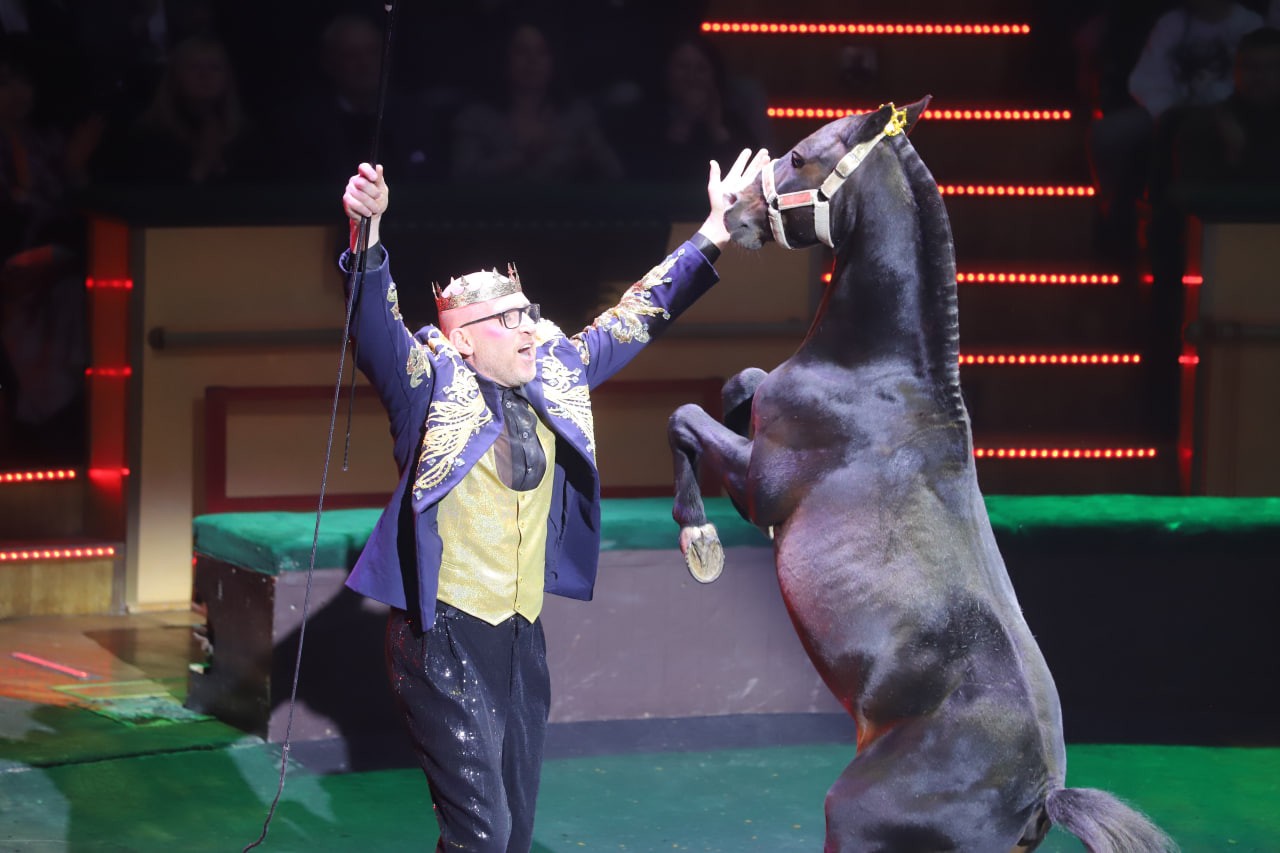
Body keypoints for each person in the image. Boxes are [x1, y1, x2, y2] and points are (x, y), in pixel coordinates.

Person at [338, 145, 768, 851]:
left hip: (520, 638)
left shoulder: (558, 371)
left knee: (514, 835)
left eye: (528, 312)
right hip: (442, 639)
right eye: (508, 320)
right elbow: (373, 326)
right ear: (463, 341)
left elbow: (638, 313)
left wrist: (714, 232)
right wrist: (368, 233)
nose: (530, 327)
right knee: (482, 834)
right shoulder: (427, 382)